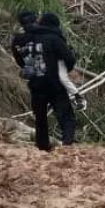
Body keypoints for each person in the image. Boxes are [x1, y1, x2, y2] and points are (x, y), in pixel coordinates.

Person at [11, 11, 78, 152]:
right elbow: (69, 58)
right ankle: (68, 146)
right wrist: (64, 70)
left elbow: (21, 62)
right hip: (54, 83)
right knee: (66, 116)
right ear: (36, 21)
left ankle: (42, 148)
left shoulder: (17, 41)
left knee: (40, 118)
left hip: (35, 84)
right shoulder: (52, 37)